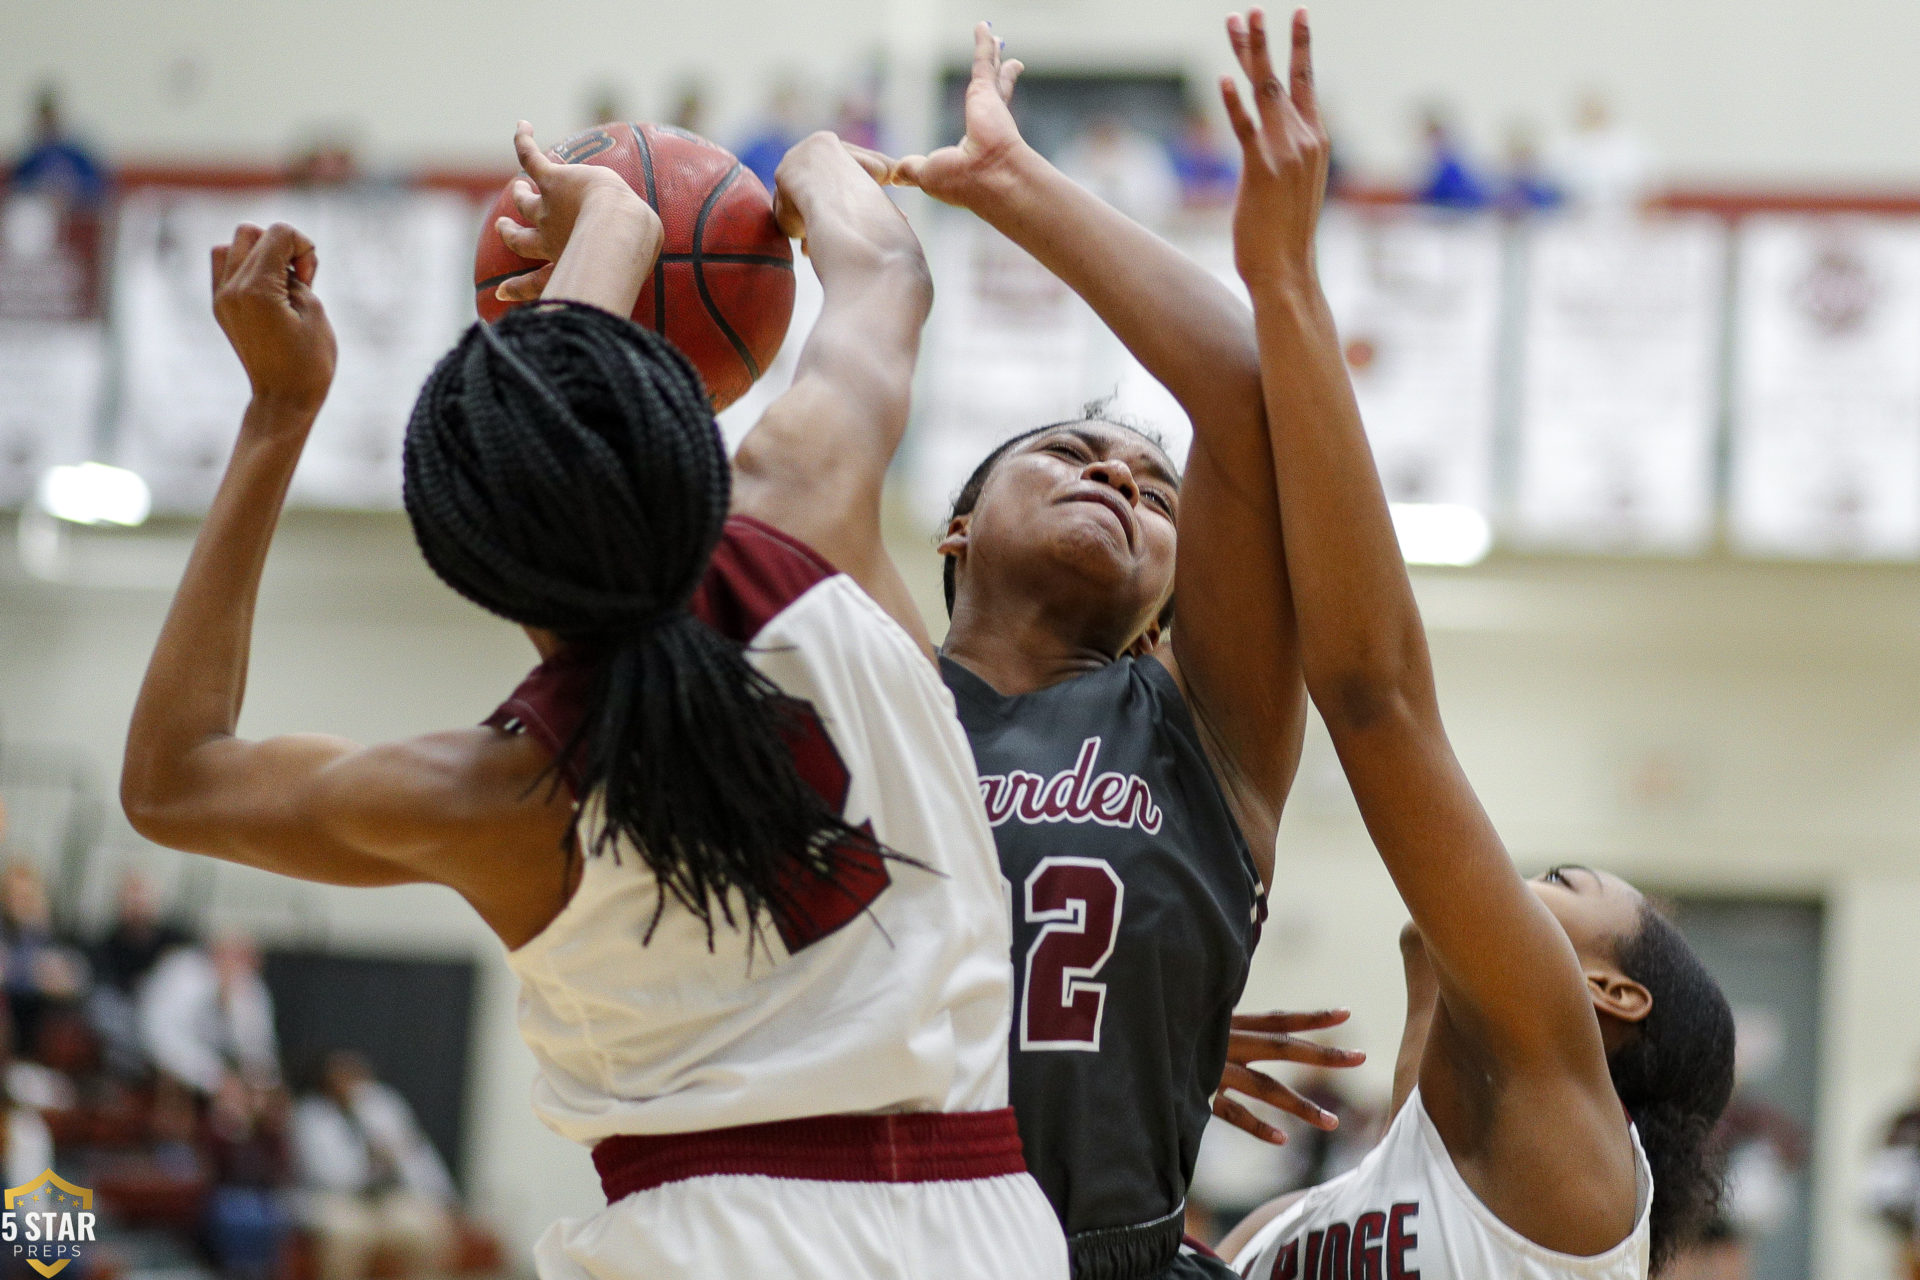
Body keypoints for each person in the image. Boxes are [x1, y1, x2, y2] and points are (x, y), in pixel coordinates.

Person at [119, 119, 1066, 1279]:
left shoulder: (499, 790)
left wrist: (276, 417)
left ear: (477, 556)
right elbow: (887, 268)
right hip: (991, 1231)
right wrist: (786, 168)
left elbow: (174, 778)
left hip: (714, 1247)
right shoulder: (806, 497)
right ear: (680, 425)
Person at [1208, 12, 1736, 1278]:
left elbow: (1373, 697)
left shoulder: (1583, 1172)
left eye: (1560, 881)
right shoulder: (1389, 1185)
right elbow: (1420, 943)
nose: (1509, 871)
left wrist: (1285, 280)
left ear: (1608, 999)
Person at [888, 24, 1361, 1280]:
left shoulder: (1201, 721)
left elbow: (1242, 384)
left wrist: (1010, 184)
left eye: (1154, 493)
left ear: (1170, 598)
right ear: (955, 524)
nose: (1114, 475)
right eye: (1066, 455)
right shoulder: (875, 684)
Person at [293, 1052, 453, 1280]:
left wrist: (439, 1195)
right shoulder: (311, 1116)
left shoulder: (383, 1106)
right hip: (335, 1198)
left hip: (387, 1197)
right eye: (343, 1077)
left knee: (422, 1228)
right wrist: (371, 1161)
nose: (352, 1085)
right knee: (349, 1233)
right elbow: (326, 1174)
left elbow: (416, 1153)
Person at [140, 931, 280, 1097]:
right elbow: (160, 1038)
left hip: (222, 1073)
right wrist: (215, 1078)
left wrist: (259, 1085)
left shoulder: (249, 987)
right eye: (235, 954)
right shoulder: (182, 974)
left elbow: (258, 1047)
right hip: (159, 1068)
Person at [10, 86, 107, 210]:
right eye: (44, 118)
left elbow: (96, 185)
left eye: (51, 117)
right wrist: (43, 192)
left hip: (74, 208)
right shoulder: (31, 158)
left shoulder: (75, 153)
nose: (48, 123)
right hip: (40, 209)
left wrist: (69, 193)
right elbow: (17, 187)